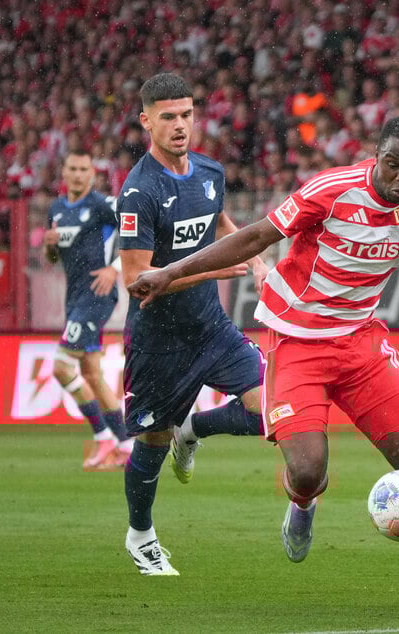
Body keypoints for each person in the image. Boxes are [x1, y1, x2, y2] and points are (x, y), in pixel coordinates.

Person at [127, 115, 399, 606]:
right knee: (309, 470)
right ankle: (302, 501)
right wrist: (171, 271)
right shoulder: (332, 190)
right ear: (376, 157)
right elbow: (255, 237)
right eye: (393, 165)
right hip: (296, 341)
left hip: (361, 345)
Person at [117, 73, 270, 576]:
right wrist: (216, 269)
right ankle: (141, 535)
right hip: (159, 341)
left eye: (185, 115)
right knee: (151, 441)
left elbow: (218, 221)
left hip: (211, 326)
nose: (180, 125)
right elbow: (138, 281)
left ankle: (196, 428)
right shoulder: (139, 192)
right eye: (167, 117)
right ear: (147, 122)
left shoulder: (209, 171)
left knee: (272, 410)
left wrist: (255, 255)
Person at [43, 149, 132, 469]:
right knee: (92, 374)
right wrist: (49, 246)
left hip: (97, 295)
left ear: (92, 175)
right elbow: (52, 259)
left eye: (84, 169)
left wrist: (115, 267)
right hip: (75, 298)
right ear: (64, 173)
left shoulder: (102, 205)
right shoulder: (56, 209)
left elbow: (139, 229)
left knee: (61, 367)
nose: (78, 174)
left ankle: (103, 438)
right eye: (73, 168)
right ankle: (125, 446)